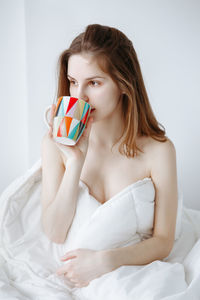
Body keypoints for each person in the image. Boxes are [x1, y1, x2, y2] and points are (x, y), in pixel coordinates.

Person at [41, 24, 178, 289]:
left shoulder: (159, 151)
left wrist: (105, 262)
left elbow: (163, 241)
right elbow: (55, 233)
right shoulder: (53, 146)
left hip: (129, 275)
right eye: (72, 82)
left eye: (94, 83)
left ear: (124, 85)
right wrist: (75, 162)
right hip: (66, 275)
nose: (79, 96)